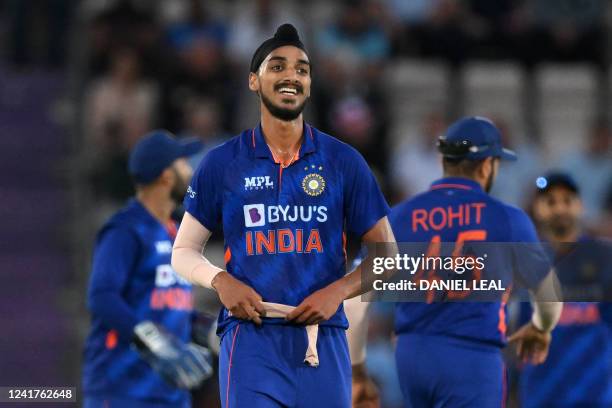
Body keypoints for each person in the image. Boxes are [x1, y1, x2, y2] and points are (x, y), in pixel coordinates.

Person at [171, 24, 396, 408]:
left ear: (308, 86)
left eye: (302, 69)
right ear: (253, 82)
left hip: (323, 339)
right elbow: (183, 252)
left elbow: (388, 257)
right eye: (277, 66)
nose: (291, 75)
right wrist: (220, 281)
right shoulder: (222, 162)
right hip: (251, 341)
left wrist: (338, 290)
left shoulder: (344, 161)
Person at [349, 117, 562, 407]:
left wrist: (357, 369)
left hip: (412, 356)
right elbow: (549, 294)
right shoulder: (508, 219)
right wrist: (541, 327)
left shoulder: (398, 216)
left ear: (445, 161)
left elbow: (354, 299)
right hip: (472, 356)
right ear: (487, 165)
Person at [82, 130, 213, 408]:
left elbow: (166, 306)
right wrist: (155, 343)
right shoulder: (126, 229)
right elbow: (102, 296)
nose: (190, 172)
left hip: (170, 393)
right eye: (183, 164)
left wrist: (208, 328)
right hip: (122, 391)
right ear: (167, 176)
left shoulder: (175, 232)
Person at [518, 172, 612, 407]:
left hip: (593, 394)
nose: (559, 209)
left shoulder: (603, 257)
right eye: (550, 201)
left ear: (579, 206)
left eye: (567, 200)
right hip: (542, 395)